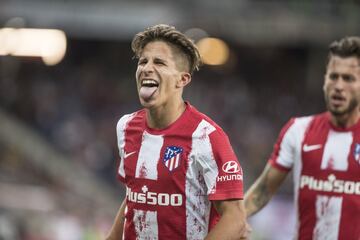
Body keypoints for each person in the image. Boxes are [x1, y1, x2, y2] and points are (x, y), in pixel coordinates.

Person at [106, 24, 249, 240]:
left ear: (182, 79)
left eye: (159, 62)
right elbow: (134, 197)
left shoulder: (207, 137)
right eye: (143, 61)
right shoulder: (126, 127)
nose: (146, 68)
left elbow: (235, 218)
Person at [245, 36, 360, 239]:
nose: (338, 86)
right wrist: (228, 222)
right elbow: (262, 191)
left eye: (348, 78)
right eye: (333, 76)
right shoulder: (299, 130)